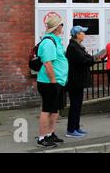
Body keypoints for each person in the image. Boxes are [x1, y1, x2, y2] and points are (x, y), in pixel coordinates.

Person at [36, 15, 69, 148]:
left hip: (58, 82)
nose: (62, 27)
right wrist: (54, 81)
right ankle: (42, 138)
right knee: (47, 109)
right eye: (62, 25)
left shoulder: (56, 40)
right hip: (49, 82)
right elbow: (48, 64)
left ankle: (50, 134)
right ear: (57, 27)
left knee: (55, 110)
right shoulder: (48, 42)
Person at [65, 26, 97, 138]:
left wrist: (94, 58)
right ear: (77, 34)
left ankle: (76, 127)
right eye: (83, 32)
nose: (84, 34)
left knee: (78, 105)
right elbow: (84, 61)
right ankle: (70, 130)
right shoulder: (73, 47)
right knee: (75, 105)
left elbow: (88, 58)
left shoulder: (78, 46)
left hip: (78, 81)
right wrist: (94, 59)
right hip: (75, 81)